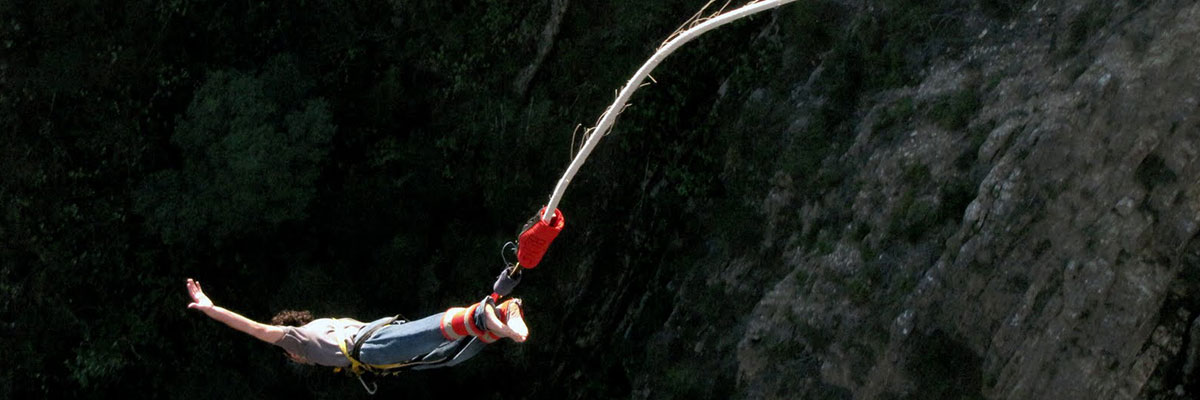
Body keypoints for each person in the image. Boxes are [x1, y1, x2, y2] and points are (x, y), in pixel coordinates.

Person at [183, 274, 528, 373]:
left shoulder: (297, 340)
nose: (297, 360)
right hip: (378, 335)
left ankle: (483, 315)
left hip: (371, 348)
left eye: (292, 358)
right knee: (445, 355)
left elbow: (254, 329)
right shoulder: (326, 322)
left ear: (291, 353)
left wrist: (212, 309)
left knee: (435, 332)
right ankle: (501, 316)